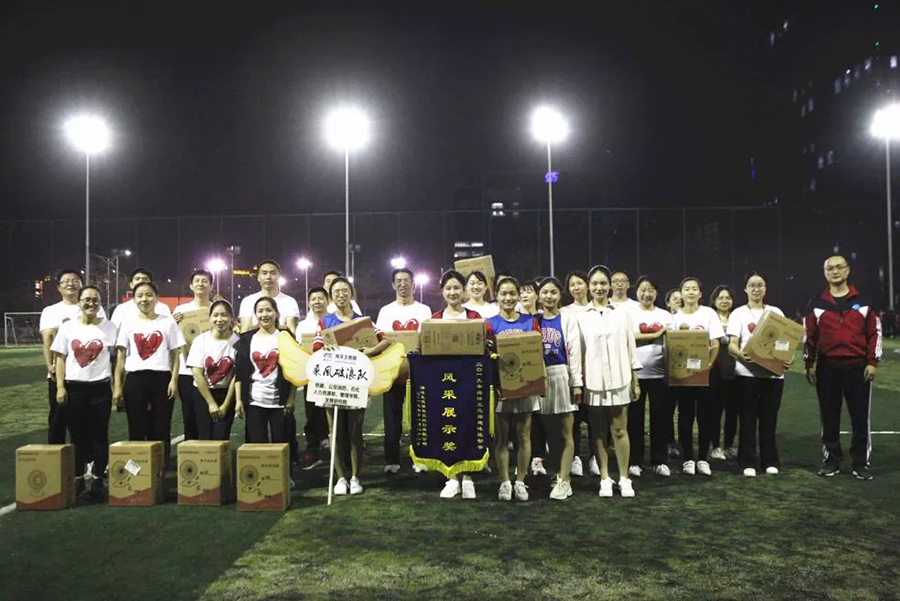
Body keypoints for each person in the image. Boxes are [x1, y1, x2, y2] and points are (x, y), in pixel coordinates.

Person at [805, 255, 881, 480]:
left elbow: (874, 332)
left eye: (839, 267)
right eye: (830, 268)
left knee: (860, 417)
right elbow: (809, 336)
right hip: (827, 368)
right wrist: (809, 363)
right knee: (829, 416)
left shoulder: (864, 301)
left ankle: (860, 462)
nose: (835, 271)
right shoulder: (816, 303)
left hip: (858, 367)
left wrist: (872, 362)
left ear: (847, 270)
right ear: (824, 273)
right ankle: (832, 460)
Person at [313, 277, 390, 496]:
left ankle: (355, 477)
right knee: (334, 433)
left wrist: (369, 351)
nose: (341, 295)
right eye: (336, 292)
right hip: (332, 382)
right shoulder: (325, 321)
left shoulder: (362, 322)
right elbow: (316, 348)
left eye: (344, 291)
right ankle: (340, 478)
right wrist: (326, 351)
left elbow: (386, 340)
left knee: (355, 432)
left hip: (356, 383)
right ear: (331, 296)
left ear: (351, 294)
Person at [576, 265, 641, 498]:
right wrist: (578, 382)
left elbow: (630, 347)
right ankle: (604, 477)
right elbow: (578, 351)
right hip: (593, 381)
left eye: (603, 283)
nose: (599, 288)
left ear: (610, 285)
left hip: (620, 379)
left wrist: (635, 380)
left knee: (620, 429)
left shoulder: (622, 313)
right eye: (594, 284)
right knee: (598, 431)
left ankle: (624, 478)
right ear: (589, 287)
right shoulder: (581, 316)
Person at [51, 285, 116, 499]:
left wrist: (117, 387)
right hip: (75, 388)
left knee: (100, 435)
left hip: (100, 388)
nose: (91, 303)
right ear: (79, 302)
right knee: (77, 435)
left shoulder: (110, 327)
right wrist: (60, 386)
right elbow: (60, 358)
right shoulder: (68, 328)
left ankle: (98, 479)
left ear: (100, 302)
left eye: (95, 300)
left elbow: (116, 359)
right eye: (87, 299)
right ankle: (78, 478)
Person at [112, 281, 185, 464]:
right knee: (136, 427)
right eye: (140, 296)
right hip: (135, 379)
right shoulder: (128, 323)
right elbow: (121, 356)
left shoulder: (168, 322)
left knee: (161, 427)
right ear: (134, 299)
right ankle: (136, 471)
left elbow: (175, 354)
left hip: (161, 379)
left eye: (149, 295)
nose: (144, 299)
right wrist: (118, 386)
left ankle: (160, 469)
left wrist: (173, 380)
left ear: (156, 298)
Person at [727, 272, 791, 477]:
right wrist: (742, 356)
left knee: (769, 419)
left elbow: (785, 342)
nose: (756, 289)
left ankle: (770, 460)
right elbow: (732, 345)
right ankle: (747, 462)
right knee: (747, 420)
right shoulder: (738, 313)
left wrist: (788, 358)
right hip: (746, 375)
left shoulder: (776, 312)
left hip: (773, 376)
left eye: (760, 285)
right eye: (752, 285)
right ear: (745, 289)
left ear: (765, 288)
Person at [487, 277, 541, 502]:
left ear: (518, 296)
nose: (508, 298)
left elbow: (536, 354)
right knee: (501, 437)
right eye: (503, 294)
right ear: (497, 297)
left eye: (512, 293)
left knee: (524, 436)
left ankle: (520, 481)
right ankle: (504, 482)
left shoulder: (530, 321)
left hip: (525, 387)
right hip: (501, 389)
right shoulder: (489, 324)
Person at [375, 267, 432, 474]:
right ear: (393, 285)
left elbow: (427, 338)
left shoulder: (424, 310)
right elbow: (380, 339)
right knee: (392, 417)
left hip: (418, 370)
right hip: (393, 370)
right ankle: (391, 459)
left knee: (420, 416)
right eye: (398, 280)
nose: (402, 284)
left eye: (406, 280)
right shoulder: (386, 311)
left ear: (413, 284)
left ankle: (420, 456)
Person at [40, 269, 106, 444]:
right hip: (59, 373)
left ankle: (84, 457)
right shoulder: (50, 311)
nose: (70, 283)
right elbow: (48, 340)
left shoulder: (94, 308)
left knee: (84, 422)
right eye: (66, 281)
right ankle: (56, 456)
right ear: (58, 287)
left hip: (85, 376)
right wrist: (50, 366)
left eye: (75, 280)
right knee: (58, 418)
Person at [434, 270, 484, 499]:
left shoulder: (475, 317)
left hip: (469, 383)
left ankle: (468, 477)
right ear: (442, 291)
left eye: (456, 288)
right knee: (447, 427)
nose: (452, 292)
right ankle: (452, 477)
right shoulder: (435, 319)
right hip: (443, 384)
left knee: (468, 427)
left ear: (464, 291)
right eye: (448, 288)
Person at [535, 277, 583, 500]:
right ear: (539, 295)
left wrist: (576, 383)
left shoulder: (567, 318)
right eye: (545, 292)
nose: (549, 296)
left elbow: (574, 352)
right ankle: (558, 474)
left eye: (553, 292)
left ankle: (565, 480)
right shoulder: (534, 320)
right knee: (550, 432)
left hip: (562, 375)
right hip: (541, 378)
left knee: (566, 431)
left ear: (560, 295)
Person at [671, 277, 724, 477]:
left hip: (707, 373)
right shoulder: (675, 318)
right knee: (685, 415)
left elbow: (715, 343)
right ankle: (688, 459)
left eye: (694, 289)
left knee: (706, 416)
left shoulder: (709, 314)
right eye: (687, 289)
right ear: (681, 293)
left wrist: (708, 365)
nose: (691, 292)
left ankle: (702, 458)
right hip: (683, 375)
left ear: (700, 294)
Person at [628, 275, 675, 477]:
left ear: (656, 293)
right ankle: (634, 461)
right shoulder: (629, 313)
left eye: (651, 290)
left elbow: (674, 341)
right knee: (634, 420)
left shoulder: (665, 315)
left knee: (660, 419)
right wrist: (655, 335)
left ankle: (659, 461)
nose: (646, 294)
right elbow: (628, 337)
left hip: (659, 375)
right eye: (643, 290)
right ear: (636, 291)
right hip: (635, 375)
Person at [235, 297, 296, 447]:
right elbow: (240, 373)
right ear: (255, 315)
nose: (264, 314)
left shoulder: (286, 337)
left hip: (280, 402)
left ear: (276, 313)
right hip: (254, 402)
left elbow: (295, 369)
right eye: (260, 311)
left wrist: (291, 397)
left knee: (282, 446)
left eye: (268, 310)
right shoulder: (247, 339)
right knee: (256, 447)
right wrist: (239, 400)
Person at [186, 300, 239, 441]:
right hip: (203, 394)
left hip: (227, 393)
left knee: (222, 436)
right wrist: (211, 403)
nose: (219, 319)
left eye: (224, 315)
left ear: (231, 318)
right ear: (209, 318)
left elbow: (236, 376)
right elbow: (197, 374)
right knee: (205, 436)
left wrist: (226, 405)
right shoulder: (200, 340)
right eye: (215, 315)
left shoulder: (238, 342)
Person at [561, 270, 595, 477]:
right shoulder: (564, 312)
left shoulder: (596, 309)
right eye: (572, 284)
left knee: (594, 417)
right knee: (573, 415)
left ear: (587, 285)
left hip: (593, 370)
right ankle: (575, 459)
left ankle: (594, 457)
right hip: (572, 371)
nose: (576, 287)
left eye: (580, 283)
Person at [173, 269, 213, 441]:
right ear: (191, 286)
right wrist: (173, 322)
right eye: (197, 281)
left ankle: (209, 451)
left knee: (207, 416)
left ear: (211, 286)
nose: (200, 284)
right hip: (186, 371)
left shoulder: (216, 309)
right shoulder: (181, 310)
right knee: (189, 417)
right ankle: (191, 451)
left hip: (210, 371)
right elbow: (173, 339)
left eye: (205, 281)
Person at [296, 286, 330, 468]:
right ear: (309, 303)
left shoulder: (333, 321)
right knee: (313, 414)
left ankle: (336, 451)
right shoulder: (303, 325)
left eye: (320, 298)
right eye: (313, 299)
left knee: (332, 414)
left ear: (327, 301)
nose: (317, 302)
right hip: (312, 376)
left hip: (332, 376)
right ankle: (313, 450)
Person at [709, 285, 738, 461]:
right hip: (715, 370)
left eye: (728, 298)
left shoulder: (738, 317)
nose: (724, 301)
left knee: (732, 410)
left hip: (735, 370)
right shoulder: (710, 317)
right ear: (714, 300)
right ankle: (715, 446)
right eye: (720, 298)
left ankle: (728, 446)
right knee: (715, 409)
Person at [239, 260, 300, 334]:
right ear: (258, 277)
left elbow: (291, 330)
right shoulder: (248, 301)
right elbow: (245, 330)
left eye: (272, 273)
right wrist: (279, 327)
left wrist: (259, 326)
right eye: (264, 273)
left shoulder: (290, 302)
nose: (268, 277)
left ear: (279, 276)